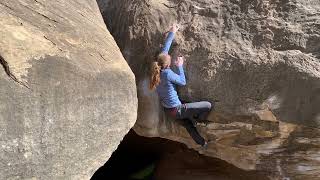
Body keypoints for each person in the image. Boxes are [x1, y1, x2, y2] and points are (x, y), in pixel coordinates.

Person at [149, 24, 212, 148]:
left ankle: (202, 143)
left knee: (188, 124)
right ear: (167, 65)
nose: (170, 57)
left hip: (169, 111)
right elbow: (182, 82)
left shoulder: (158, 67)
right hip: (177, 110)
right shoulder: (167, 74)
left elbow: (165, 49)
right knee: (207, 105)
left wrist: (172, 32)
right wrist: (180, 67)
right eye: (170, 59)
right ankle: (200, 120)